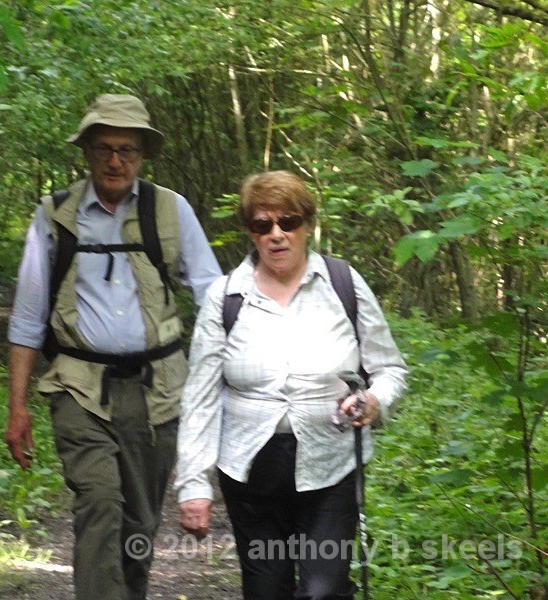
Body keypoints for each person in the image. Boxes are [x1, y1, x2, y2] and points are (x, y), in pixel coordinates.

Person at [5, 93, 222, 600]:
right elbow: (27, 319)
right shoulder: (55, 217)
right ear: (86, 152)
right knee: (99, 502)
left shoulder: (170, 210)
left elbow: (213, 296)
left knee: (139, 526)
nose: (115, 160)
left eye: (127, 148)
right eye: (104, 147)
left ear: (143, 154)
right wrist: (17, 407)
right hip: (78, 388)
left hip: (158, 390)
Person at [175, 170, 408, 600]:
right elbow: (201, 397)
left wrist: (374, 400)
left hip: (331, 463)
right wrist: (194, 484)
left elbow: (390, 368)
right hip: (249, 470)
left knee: (324, 590)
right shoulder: (225, 296)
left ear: (308, 225)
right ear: (250, 231)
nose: (277, 235)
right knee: (266, 590)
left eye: (289, 222)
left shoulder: (343, 284)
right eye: (263, 225)